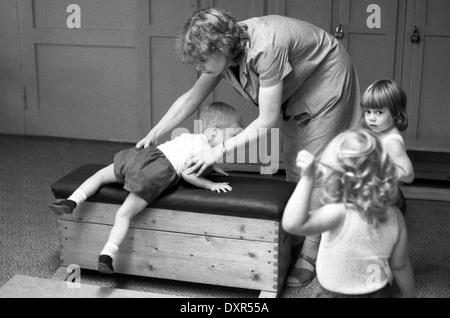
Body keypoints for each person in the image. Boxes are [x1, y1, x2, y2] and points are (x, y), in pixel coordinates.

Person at [136, 8, 362, 287]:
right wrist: (154, 133)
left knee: (315, 168)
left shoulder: (266, 45)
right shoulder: (224, 53)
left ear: (219, 47)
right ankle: (299, 229)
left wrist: (216, 152)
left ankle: (310, 253)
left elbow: (266, 120)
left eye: (202, 60)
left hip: (326, 77)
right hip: (296, 91)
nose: (199, 67)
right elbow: (191, 98)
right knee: (295, 166)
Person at [49, 102, 243, 274]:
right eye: (232, 137)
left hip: (141, 157)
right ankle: (107, 254)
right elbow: (187, 173)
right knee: (124, 214)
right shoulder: (204, 149)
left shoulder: (189, 137)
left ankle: (72, 200)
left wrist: (211, 165)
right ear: (214, 131)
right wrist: (211, 184)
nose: (232, 144)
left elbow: (189, 155)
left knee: (100, 176)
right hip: (156, 170)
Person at [282, 129, 416, 298]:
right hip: (378, 293)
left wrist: (307, 178)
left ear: (334, 176)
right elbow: (400, 265)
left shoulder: (338, 212)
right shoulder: (395, 216)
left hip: (335, 294)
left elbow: (292, 223)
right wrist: (409, 295)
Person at [360, 79, 414, 214]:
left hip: (388, 201)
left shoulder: (392, 142)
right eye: (368, 111)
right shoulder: (378, 132)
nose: (371, 118)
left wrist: (383, 168)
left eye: (379, 112)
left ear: (396, 114)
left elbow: (408, 174)